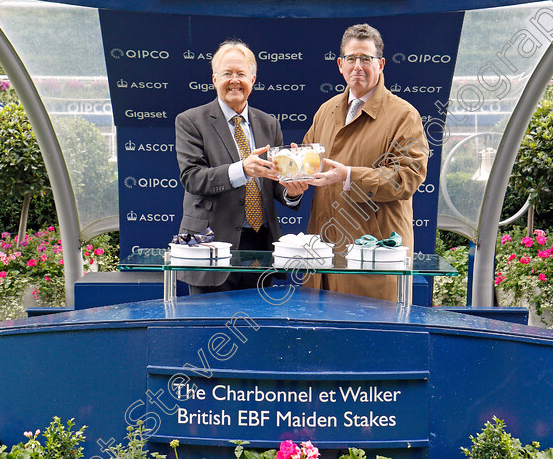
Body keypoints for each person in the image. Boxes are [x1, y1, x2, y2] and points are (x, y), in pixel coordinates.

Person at [302, 24, 429, 301]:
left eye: (366, 58)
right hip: (323, 262)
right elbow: (308, 161)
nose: (358, 66)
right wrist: (294, 174)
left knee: (373, 342)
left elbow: (407, 177)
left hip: (372, 261)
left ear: (380, 64)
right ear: (340, 65)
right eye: (351, 58)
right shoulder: (326, 110)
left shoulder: (404, 115)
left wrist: (348, 176)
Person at [174, 40, 307, 294]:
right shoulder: (190, 121)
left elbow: (274, 182)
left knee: (257, 326)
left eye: (241, 74)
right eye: (227, 74)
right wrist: (242, 170)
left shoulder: (269, 124)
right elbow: (192, 178)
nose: (234, 80)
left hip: (261, 246)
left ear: (253, 79)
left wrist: (292, 190)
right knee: (209, 326)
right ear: (214, 79)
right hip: (208, 244)